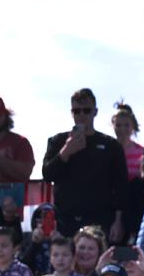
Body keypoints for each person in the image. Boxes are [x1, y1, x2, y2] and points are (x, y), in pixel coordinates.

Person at [41, 87, 129, 240]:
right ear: (72, 112)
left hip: (100, 220)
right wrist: (66, 151)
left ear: (95, 112)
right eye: (77, 111)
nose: (81, 115)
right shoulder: (58, 141)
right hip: (65, 220)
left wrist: (118, 221)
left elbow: (121, 187)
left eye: (86, 111)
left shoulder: (111, 145)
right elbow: (48, 175)